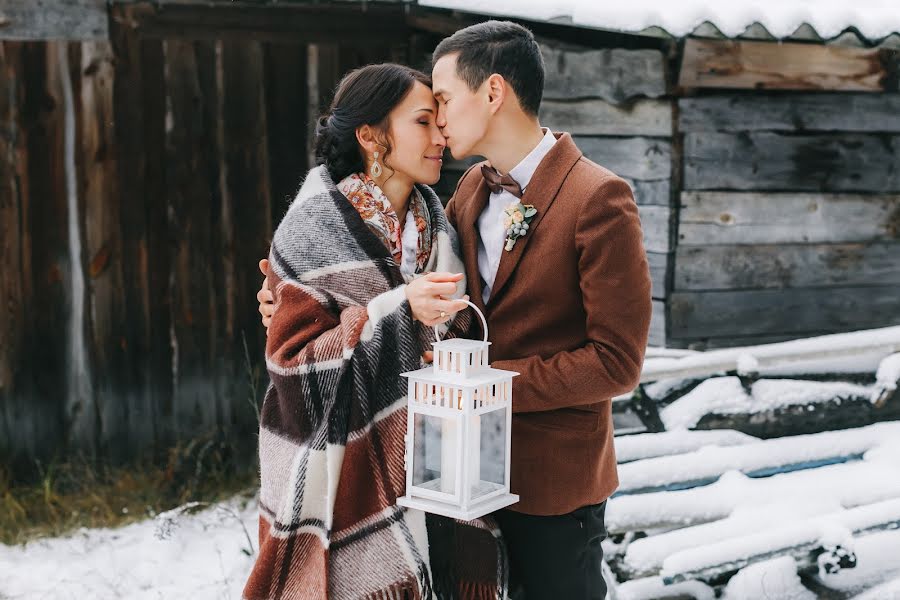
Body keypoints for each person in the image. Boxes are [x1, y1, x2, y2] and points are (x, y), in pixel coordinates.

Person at [259, 21, 652, 599]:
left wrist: (482, 390)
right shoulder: (465, 193)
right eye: (428, 112)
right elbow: (378, 263)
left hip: (551, 484)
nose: (439, 121)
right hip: (451, 481)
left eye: (442, 100)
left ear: (492, 93)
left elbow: (617, 363)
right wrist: (280, 292)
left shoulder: (598, 197)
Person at [244, 63, 507, 600]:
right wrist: (394, 309)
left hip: (437, 466)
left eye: (439, 122)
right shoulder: (311, 228)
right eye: (422, 122)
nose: (440, 137)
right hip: (347, 472)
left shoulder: (440, 226)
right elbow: (292, 364)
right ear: (371, 137)